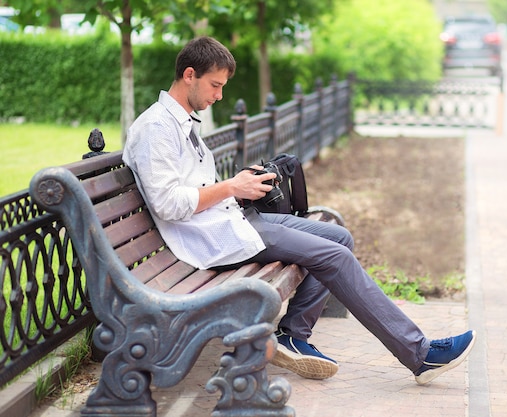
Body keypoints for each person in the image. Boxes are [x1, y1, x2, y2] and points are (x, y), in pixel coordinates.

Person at [122, 36, 475, 385]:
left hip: (230, 218)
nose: (219, 96)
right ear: (188, 75)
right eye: (215, 85)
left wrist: (244, 186)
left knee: (339, 236)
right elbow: (168, 204)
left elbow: (194, 188)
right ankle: (419, 353)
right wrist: (232, 187)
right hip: (212, 237)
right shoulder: (156, 128)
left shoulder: (181, 122)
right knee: (334, 257)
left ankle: (292, 335)